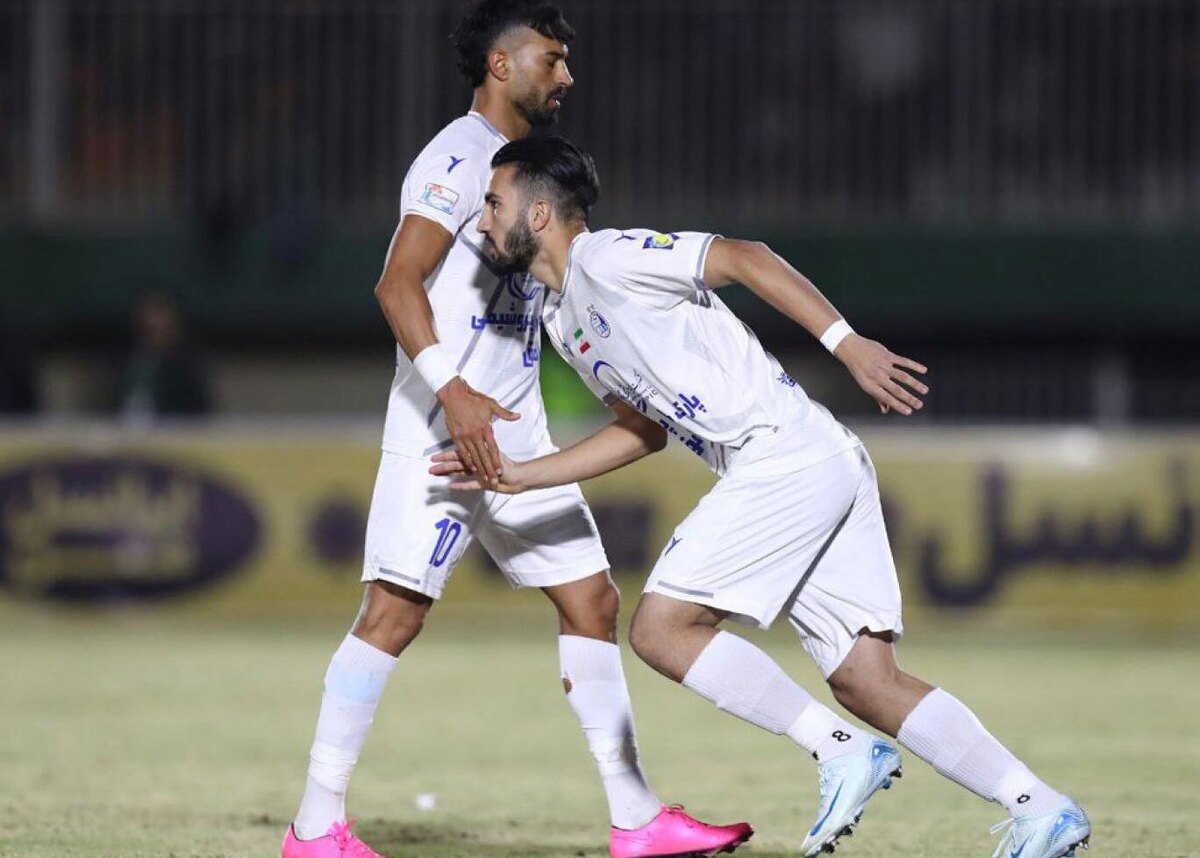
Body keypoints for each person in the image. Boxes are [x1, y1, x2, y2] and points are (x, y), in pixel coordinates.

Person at [431, 135, 1093, 858]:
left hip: (784, 456)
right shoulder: (563, 319)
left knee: (660, 630)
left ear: (539, 213)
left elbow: (746, 257)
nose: (482, 220)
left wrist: (846, 344)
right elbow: (642, 431)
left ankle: (840, 749)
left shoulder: (608, 258)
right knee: (868, 680)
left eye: (493, 203)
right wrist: (522, 474)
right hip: (815, 459)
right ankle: (1041, 808)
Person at [282, 4, 752, 858]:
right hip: (442, 430)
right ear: (501, 65)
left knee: (592, 601)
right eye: (551, 58)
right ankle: (315, 829)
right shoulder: (456, 159)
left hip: (515, 432)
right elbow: (396, 285)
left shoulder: (525, 172)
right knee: (392, 614)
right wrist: (453, 392)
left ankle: (636, 818)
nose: (566, 76)